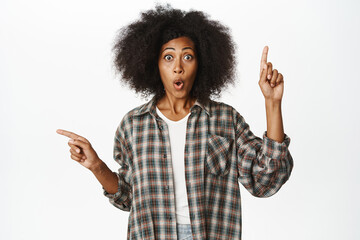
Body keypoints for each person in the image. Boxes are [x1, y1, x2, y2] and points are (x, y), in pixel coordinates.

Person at [56, 4, 293, 240]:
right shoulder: (133, 126)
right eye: (168, 57)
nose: (178, 67)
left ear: (201, 63)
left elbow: (265, 181)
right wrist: (96, 166)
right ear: (154, 64)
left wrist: (272, 104)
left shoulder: (225, 119)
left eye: (187, 57)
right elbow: (127, 198)